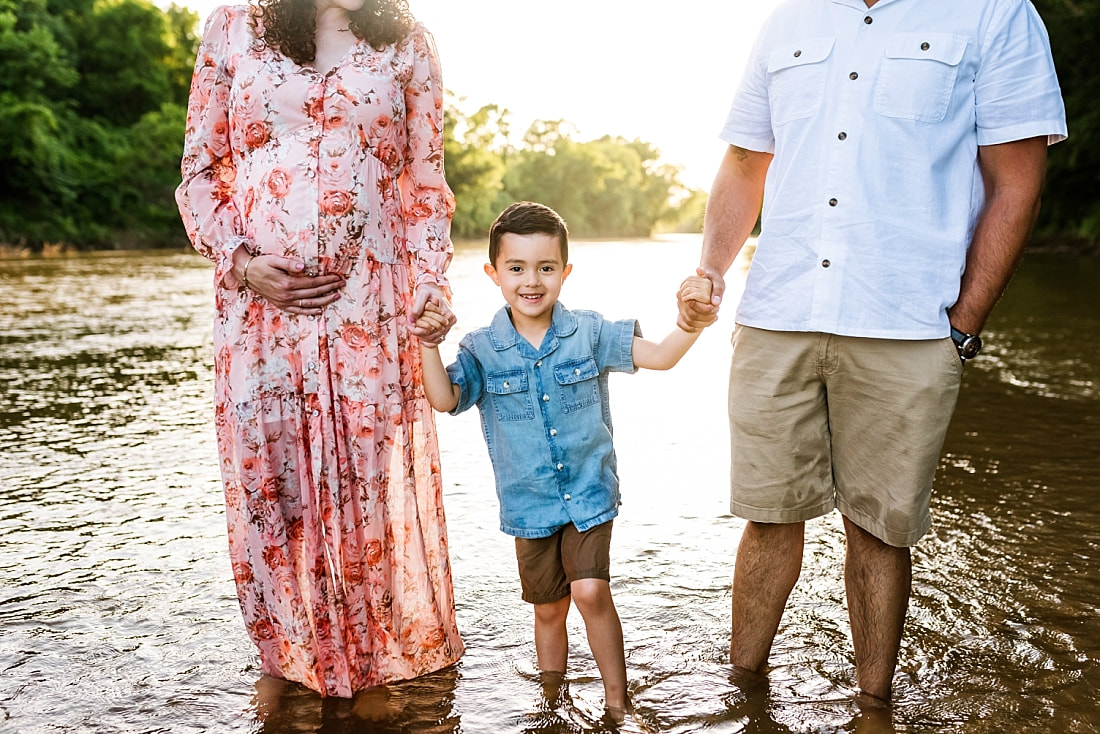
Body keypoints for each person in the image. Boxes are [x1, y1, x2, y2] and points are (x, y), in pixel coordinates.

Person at [678, 0, 1067, 706]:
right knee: (767, 516)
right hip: (779, 312)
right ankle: (741, 696)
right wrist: (710, 270)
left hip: (909, 323)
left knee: (880, 532)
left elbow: (1017, 181)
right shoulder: (789, 19)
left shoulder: (996, 13)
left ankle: (873, 707)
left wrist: (963, 324)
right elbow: (743, 160)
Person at [175, 0, 464, 698]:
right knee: (271, 496)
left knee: (364, 497)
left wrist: (433, 288)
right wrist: (242, 263)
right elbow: (198, 176)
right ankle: (289, 670)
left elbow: (425, 190)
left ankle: (367, 678)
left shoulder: (409, 43)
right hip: (258, 317)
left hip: (370, 312)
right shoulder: (233, 26)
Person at [415, 201, 712, 717]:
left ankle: (619, 706)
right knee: (549, 609)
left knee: (591, 592)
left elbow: (661, 356)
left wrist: (691, 323)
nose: (532, 281)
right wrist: (426, 344)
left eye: (546, 268)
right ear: (494, 274)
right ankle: (552, 704)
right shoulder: (482, 349)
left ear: (565, 272)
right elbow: (443, 399)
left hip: (589, 495)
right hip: (530, 508)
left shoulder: (590, 333)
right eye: (517, 268)